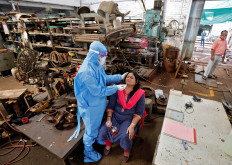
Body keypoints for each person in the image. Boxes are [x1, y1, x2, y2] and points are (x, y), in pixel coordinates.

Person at [67, 41, 128, 163]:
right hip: (90, 106)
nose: (104, 59)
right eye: (103, 57)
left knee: (97, 124)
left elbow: (103, 78)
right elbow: (98, 91)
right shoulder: (86, 71)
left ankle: (97, 138)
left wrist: (119, 77)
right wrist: (115, 88)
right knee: (90, 129)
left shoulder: (96, 65)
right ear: (96, 55)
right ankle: (88, 152)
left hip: (98, 103)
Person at [98, 71, 146, 163]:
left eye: (131, 77)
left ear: (136, 81)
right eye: (127, 77)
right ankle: (108, 144)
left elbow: (139, 113)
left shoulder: (139, 94)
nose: (128, 78)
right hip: (115, 116)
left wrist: (132, 126)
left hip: (128, 119)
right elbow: (111, 106)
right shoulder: (118, 89)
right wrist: (108, 119)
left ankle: (126, 151)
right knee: (104, 128)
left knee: (126, 135)